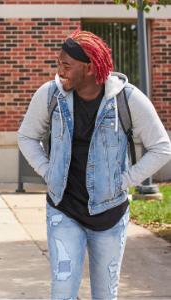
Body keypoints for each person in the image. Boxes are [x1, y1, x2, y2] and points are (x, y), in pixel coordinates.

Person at [18, 28, 171, 299]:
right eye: (58, 64)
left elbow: (162, 148)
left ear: (90, 68)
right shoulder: (50, 95)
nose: (59, 71)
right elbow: (27, 136)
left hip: (110, 213)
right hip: (63, 208)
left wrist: (122, 182)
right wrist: (47, 171)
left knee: (105, 293)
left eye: (67, 65)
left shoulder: (128, 99)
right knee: (63, 290)